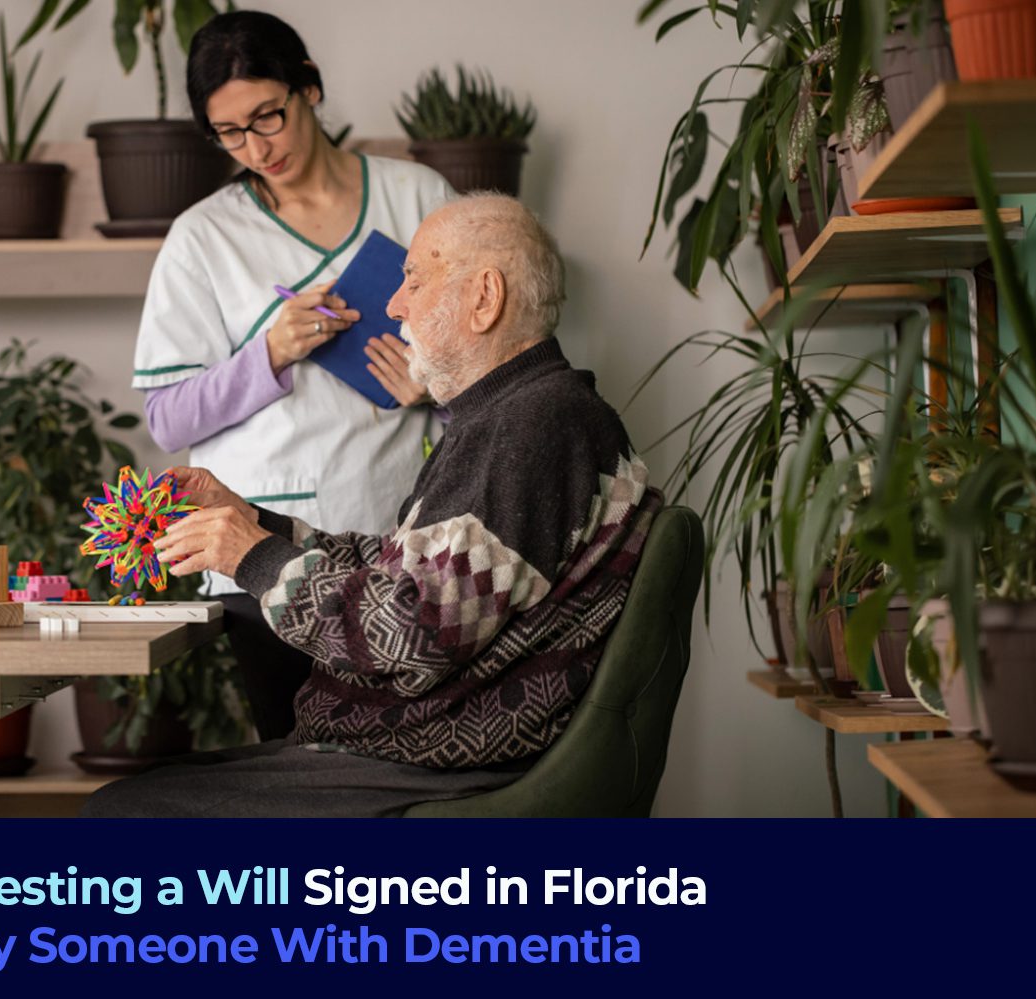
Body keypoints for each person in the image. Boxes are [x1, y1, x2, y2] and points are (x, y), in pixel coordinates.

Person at [84, 194, 663, 818]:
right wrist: (252, 523)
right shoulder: (516, 416)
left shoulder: (533, 428)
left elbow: (413, 635)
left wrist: (252, 557)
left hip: (441, 760)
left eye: (413, 279)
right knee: (150, 790)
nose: (394, 304)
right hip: (418, 744)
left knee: (119, 815)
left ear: (484, 298)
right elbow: (399, 573)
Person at [132, 10, 455, 742]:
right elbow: (168, 419)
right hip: (261, 558)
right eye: (231, 133)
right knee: (298, 760)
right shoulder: (203, 238)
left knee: (400, 765)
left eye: (267, 117)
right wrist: (268, 354)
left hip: (397, 548)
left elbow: (497, 373)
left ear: (309, 87)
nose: (256, 146)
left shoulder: (420, 199)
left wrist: (431, 387)